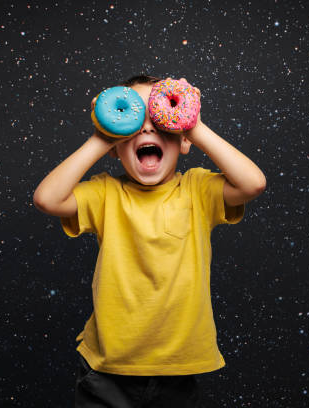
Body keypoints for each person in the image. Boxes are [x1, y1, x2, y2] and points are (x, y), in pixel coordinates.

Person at [33, 75, 266, 407]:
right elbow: (47, 199)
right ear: (116, 148)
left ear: (183, 142)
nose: (145, 129)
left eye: (159, 120)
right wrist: (104, 135)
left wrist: (194, 126)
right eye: (131, 120)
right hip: (107, 369)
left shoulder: (198, 189)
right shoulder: (105, 193)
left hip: (178, 369)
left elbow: (253, 183)